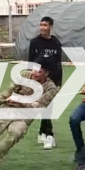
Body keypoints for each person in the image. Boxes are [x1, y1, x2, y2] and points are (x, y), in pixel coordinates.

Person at [28, 16, 63, 150]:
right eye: (41, 25)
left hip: (52, 80)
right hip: (38, 80)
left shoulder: (56, 43)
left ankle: (48, 135)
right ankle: (44, 133)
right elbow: (30, 62)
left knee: (48, 107)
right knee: (44, 107)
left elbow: (59, 64)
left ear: (51, 27)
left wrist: (59, 82)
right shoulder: (34, 42)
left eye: (45, 25)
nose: (42, 27)